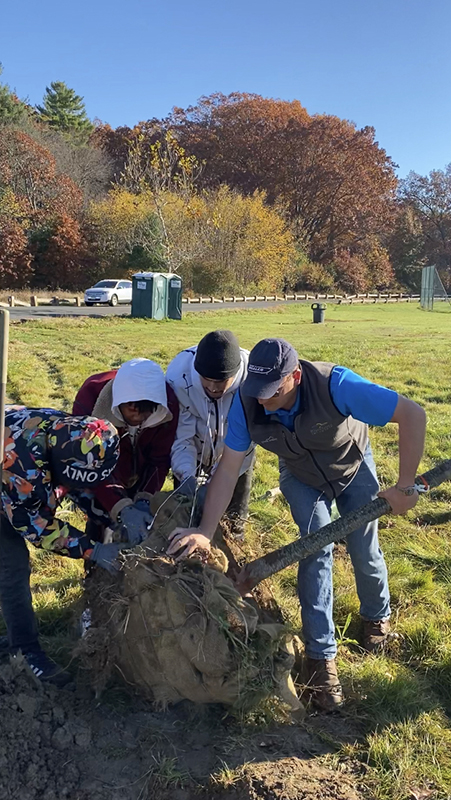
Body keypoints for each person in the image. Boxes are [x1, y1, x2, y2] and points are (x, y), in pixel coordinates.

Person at [167, 338, 426, 711]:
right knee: (314, 549)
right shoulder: (246, 403)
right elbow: (227, 468)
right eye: (258, 391)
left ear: (296, 376)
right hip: (301, 476)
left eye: (272, 392)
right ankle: (322, 660)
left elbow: (413, 414)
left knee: (363, 547)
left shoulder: (335, 384)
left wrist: (405, 486)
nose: (263, 400)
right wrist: (205, 532)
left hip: (351, 467)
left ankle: (375, 620)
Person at [0, 406, 123, 686]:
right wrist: (94, 549)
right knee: (12, 565)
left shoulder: (78, 434)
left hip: (16, 478)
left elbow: (83, 486)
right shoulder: (23, 463)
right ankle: (24, 650)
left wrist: (117, 515)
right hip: (7, 475)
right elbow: (36, 527)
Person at [73, 358, 179, 543]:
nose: (140, 420)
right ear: (121, 403)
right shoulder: (89, 399)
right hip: (100, 472)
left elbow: (159, 460)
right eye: (133, 413)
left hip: (139, 468)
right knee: (100, 520)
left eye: (147, 415)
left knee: (138, 525)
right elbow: (91, 465)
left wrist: (145, 499)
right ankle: (95, 563)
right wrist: (120, 506)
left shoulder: (168, 404)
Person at [166, 330, 255, 539]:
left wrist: (217, 479)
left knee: (234, 521)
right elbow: (182, 437)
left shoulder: (252, 381)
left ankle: (235, 541)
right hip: (195, 447)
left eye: (221, 381)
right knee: (185, 512)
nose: (213, 388)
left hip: (235, 452)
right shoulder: (178, 378)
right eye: (206, 380)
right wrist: (186, 475)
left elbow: (247, 441)